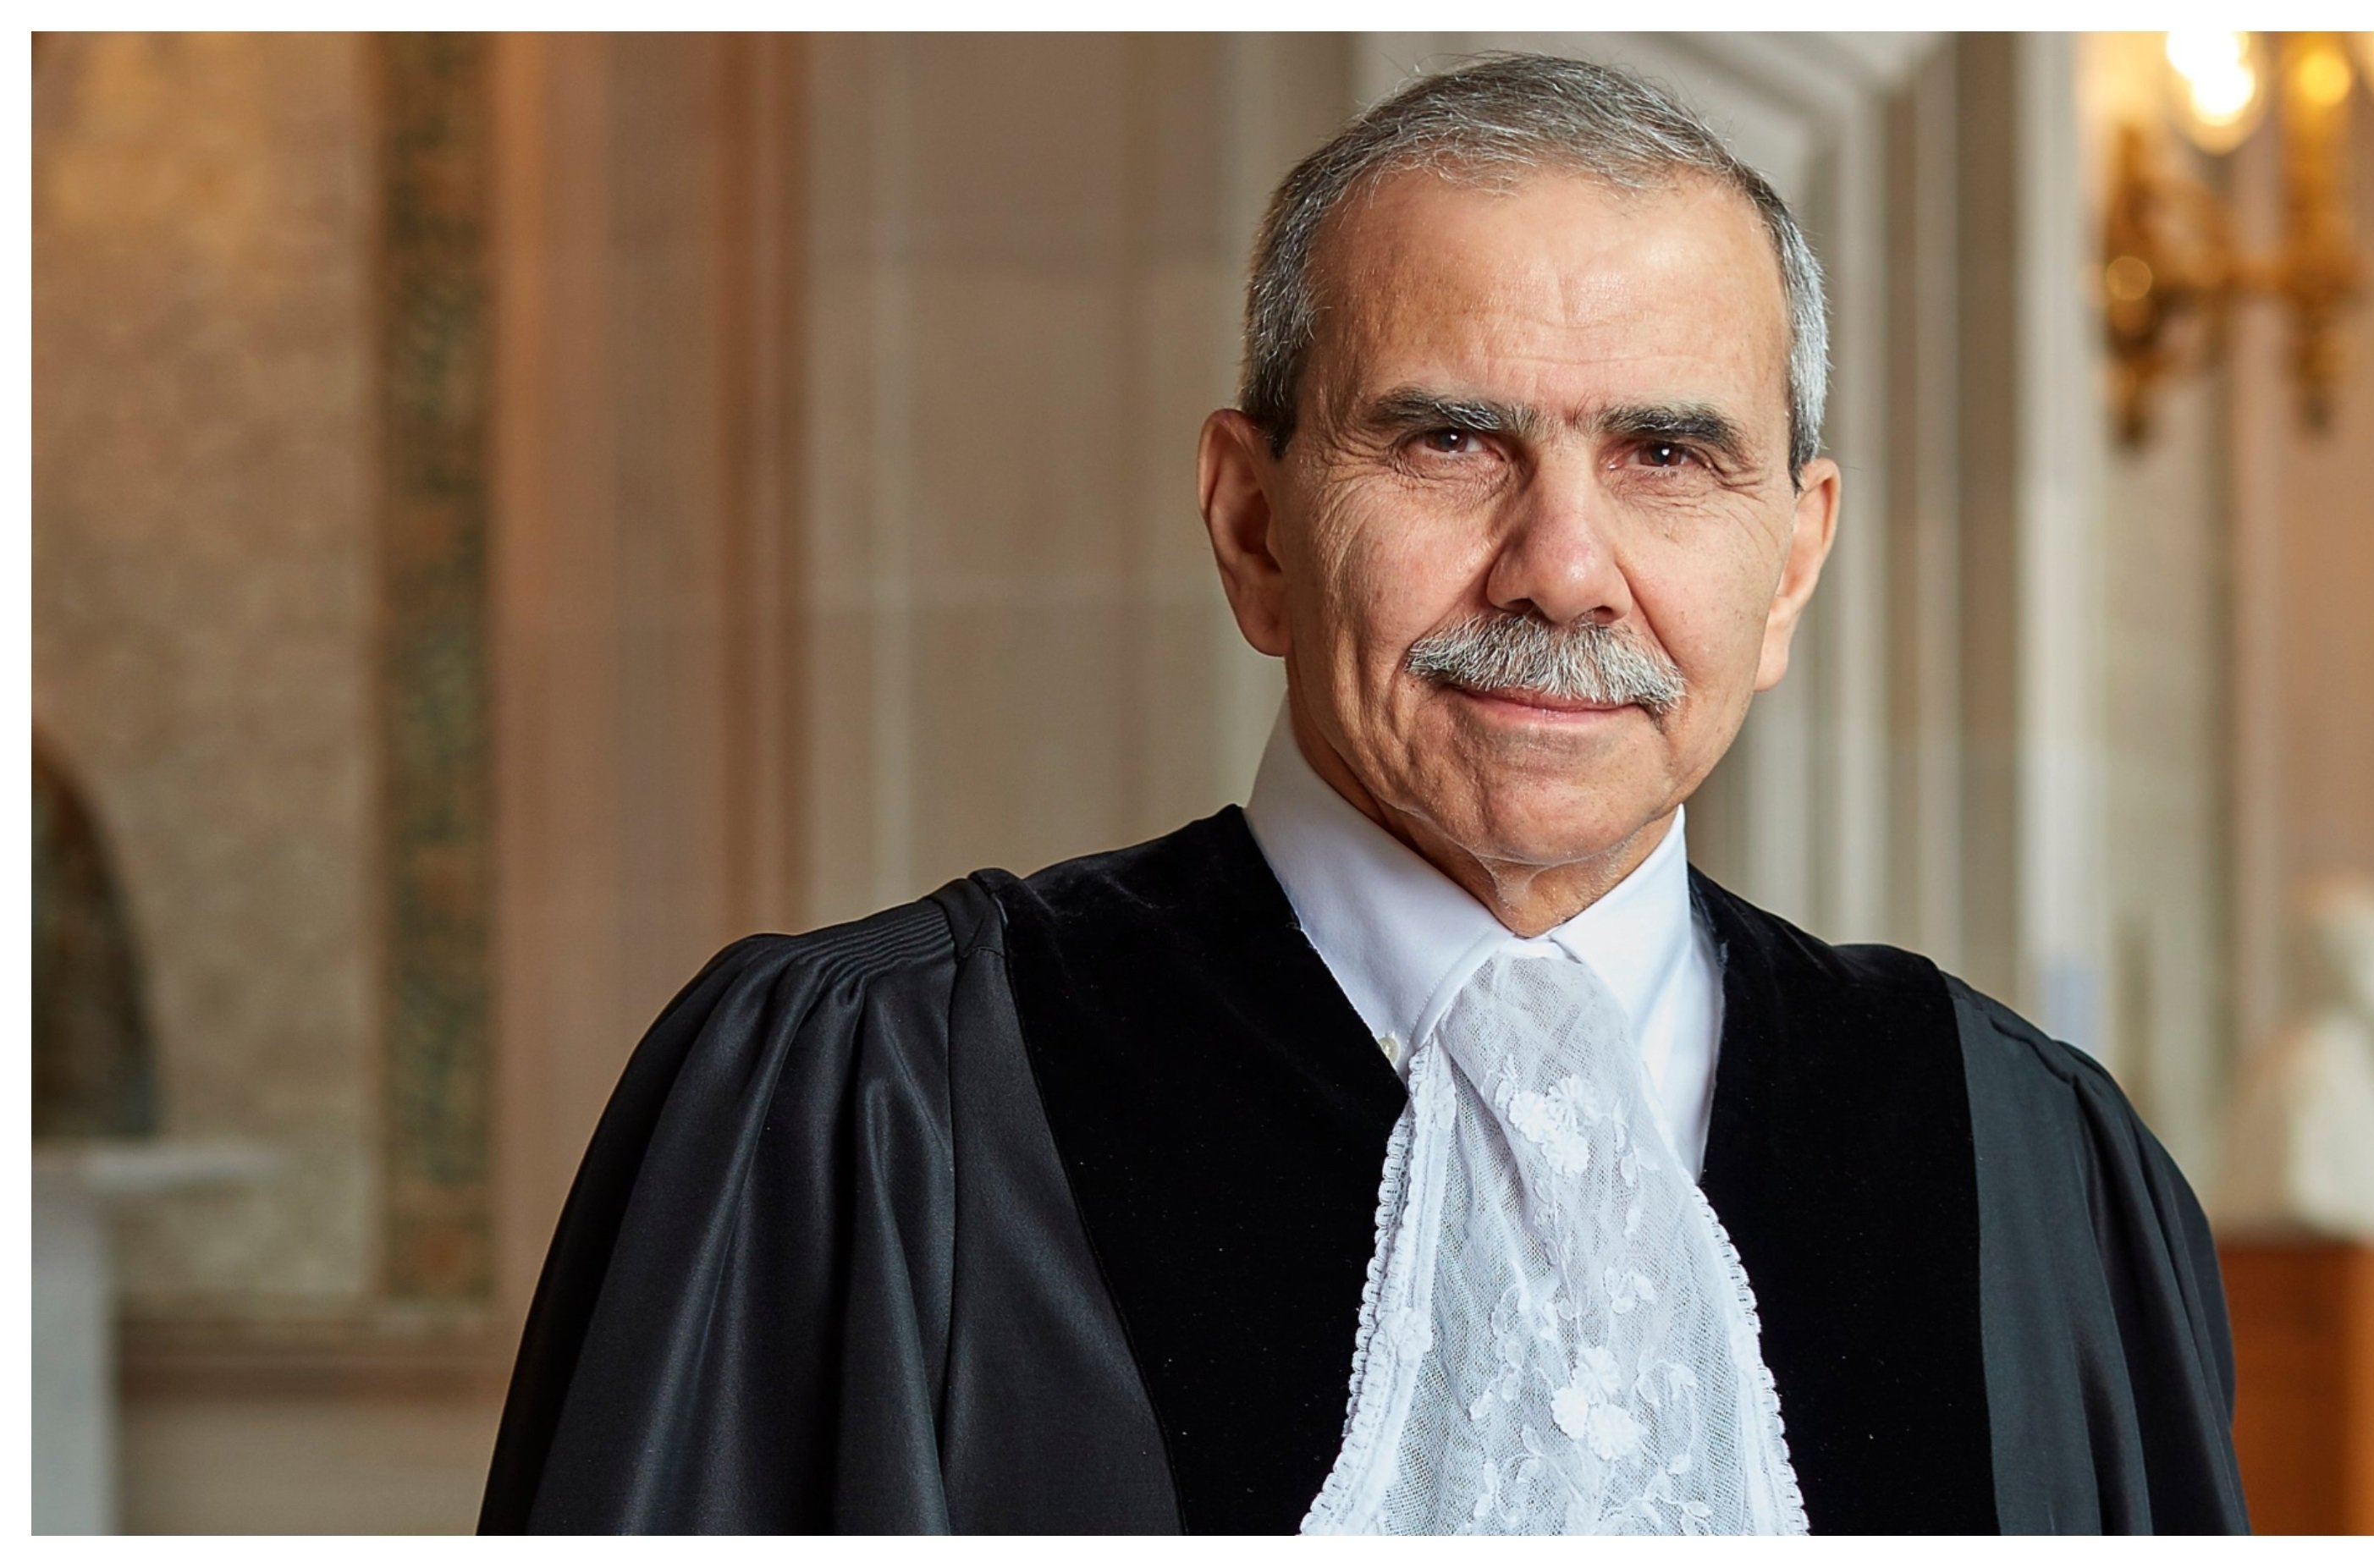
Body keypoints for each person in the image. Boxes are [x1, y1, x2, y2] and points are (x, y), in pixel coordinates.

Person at [480, 52, 2245, 1535]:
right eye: (1449, 439)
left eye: (1667, 452)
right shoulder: (869, 1109)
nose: (1563, 570)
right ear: (1254, 526)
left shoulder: (2034, 1169)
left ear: (1791, 564)